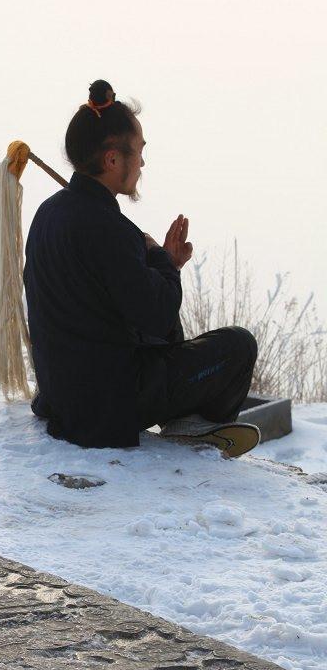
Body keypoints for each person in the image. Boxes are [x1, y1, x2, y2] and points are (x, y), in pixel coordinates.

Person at [22, 79, 259, 456]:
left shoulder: (49, 213)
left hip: (62, 396)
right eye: (139, 151)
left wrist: (153, 259)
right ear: (113, 159)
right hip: (108, 406)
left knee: (160, 309)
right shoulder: (107, 228)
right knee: (238, 346)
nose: (143, 162)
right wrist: (167, 264)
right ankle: (192, 427)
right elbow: (158, 312)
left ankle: (186, 418)